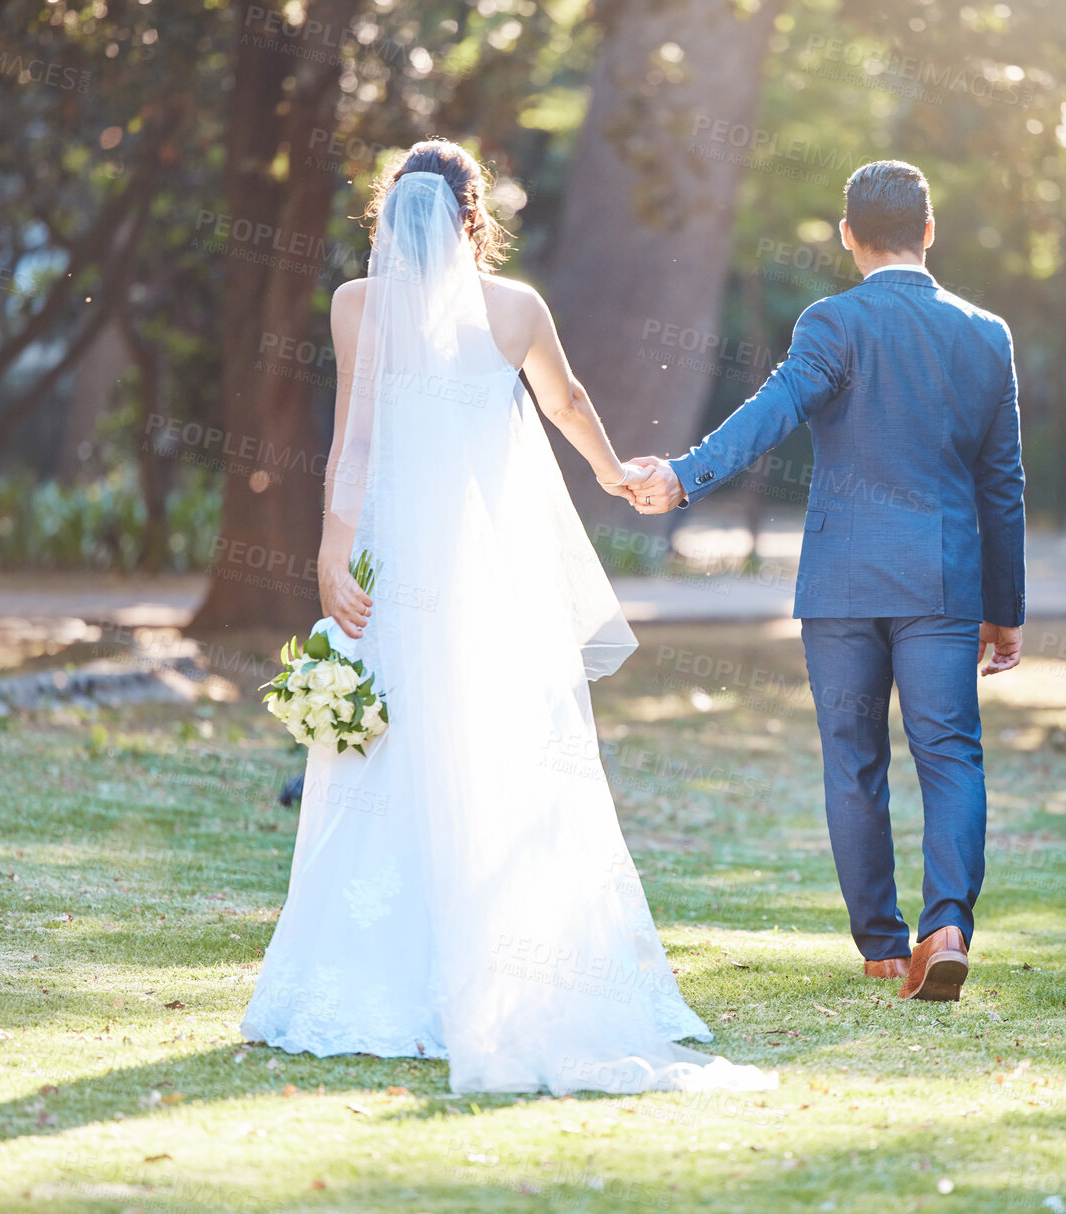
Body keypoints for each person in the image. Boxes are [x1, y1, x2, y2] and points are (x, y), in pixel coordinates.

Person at [239, 139, 775, 1095]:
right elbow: (565, 403)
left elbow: (352, 444)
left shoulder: (356, 306)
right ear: (473, 215)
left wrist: (329, 548)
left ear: (389, 214)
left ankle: (383, 976)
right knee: (487, 746)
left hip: (393, 561)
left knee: (392, 745)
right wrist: (618, 474)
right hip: (482, 568)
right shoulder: (514, 308)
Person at [627, 160, 1026, 1001]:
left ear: (847, 235)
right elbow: (1001, 482)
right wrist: (1005, 608)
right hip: (943, 581)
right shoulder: (986, 332)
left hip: (842, 580)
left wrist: (686, 475)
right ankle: (946, 925)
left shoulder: (829, 323)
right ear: (929, 229)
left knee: (853, 761)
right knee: (949, 754)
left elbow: (773, 410)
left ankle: (883, 949)